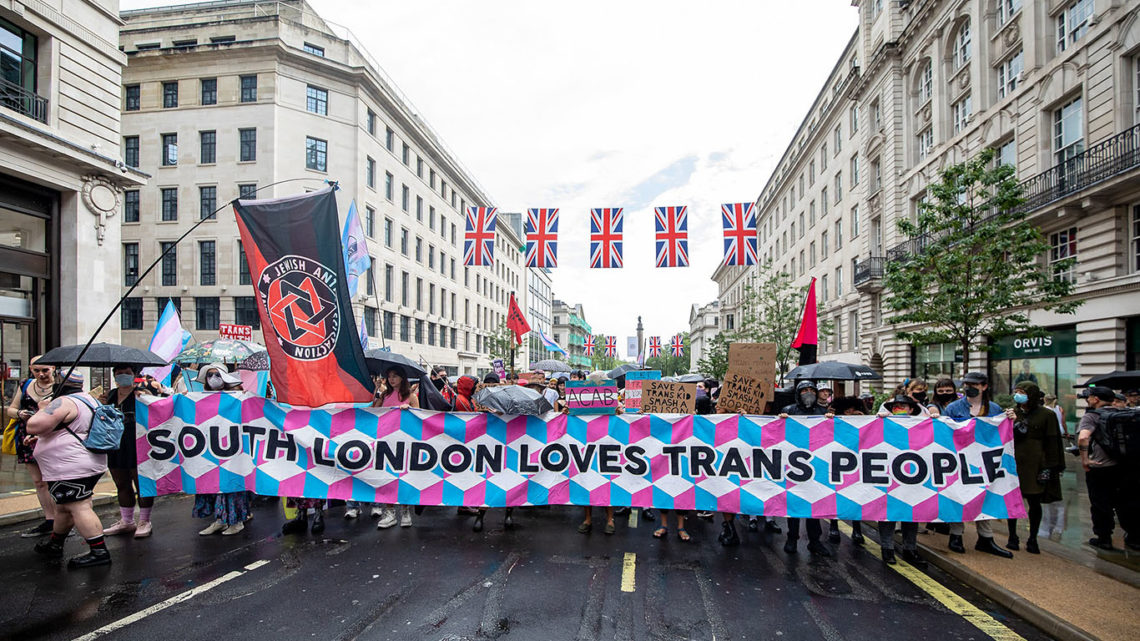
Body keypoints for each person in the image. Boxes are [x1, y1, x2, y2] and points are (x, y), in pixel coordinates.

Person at [27, 372, 112, 568]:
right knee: (64, 507)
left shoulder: (64, 402)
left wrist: (42, 408)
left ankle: (99, 551)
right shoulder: (88, 399)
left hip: (69, 465)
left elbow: (34, 425)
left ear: (61, 383)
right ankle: (55, 544)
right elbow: (71, 427)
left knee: (78, 506)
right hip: (84, 461)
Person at [941, 371, 1013, 558]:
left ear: (984, 387)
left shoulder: (994, 409)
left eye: (973, 385)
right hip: (959, 460)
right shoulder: (953, 408)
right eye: (966, 385)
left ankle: (985, 537)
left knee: (985, 495)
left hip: (985, 461)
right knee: (958, 495)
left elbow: (1001, 434)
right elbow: (944, 433)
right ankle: (956, 535)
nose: (969, 388)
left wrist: (1010, 419)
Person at [193, 364, 254, 536]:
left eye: (217, 375)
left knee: (232, 484)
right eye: (210, 375)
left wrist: (245, 398)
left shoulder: (235, 396)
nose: (213, 378)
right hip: (210, 448)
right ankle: (220, 519)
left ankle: (237, 521)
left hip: (233, 449)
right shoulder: (200, 398)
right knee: (215, 484)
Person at [1004, 382, 1064, 554]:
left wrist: (1051, 466)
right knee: (1013, 501)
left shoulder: (1047, 415)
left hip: (1036, 463)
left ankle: (1032, 538)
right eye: (1016, 391)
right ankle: (1012, 536)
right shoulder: (1012, 413)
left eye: (1022, 392)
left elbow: (1053, 441)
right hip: (1014, 462)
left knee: (1034, 502)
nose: (1018, 395)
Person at [1077, 386, 1138, 551]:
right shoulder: (1125, 413)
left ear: (1096, 399)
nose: (1087, 399)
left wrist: (1085, 459)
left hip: (1100, 467)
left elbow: (1083, 438)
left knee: (1101, 503)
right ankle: (1134, 538)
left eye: (1089, 397)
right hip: (1126, 467)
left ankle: (1104, 539)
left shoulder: (1092, 416)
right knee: (1127, 502)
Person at [100, 365, 157, 539]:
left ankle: (145, 521)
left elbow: (155, 411)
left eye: (127, 373)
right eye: (119, 373)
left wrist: (148, 398)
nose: (123, 376)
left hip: (137, 443)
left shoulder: (141, 393)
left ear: (134, 375)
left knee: (141, 483)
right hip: (115, 444)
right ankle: (127, 520)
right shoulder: (109, 395)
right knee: (121, 482)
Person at [778, 380, 833, 556]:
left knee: (814, 505)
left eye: (811, 390)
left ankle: (814, 541)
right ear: (798, 393)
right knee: (794, 504)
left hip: (815, 465)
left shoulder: (823, 412)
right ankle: (792, 538)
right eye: (804, 390)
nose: (808, 393)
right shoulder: (789, 410)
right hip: (793, 465)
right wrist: (780, 421)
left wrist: (831, 421)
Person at [871, 395, 928, 567]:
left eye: (903, 405)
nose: (899, 409)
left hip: (912, 475)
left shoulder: (921, 425)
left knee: (911, 513)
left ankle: (910, 548)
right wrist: (879, 420)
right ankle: (887, 548)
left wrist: (935, 420)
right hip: (888, 474)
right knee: (887, 512)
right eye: (895, 406)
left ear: (911, 409)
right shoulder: (883, 423)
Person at [6, 356, 57, 538]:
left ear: (53, 368)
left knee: (54, 480)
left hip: (51, 438)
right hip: (27, 437)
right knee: (39, 482)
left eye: (45, 370)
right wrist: (20, 413)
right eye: (36, 370)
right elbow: (11, 409)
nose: (41, 374)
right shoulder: (25, 385)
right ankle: (50, 520)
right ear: (30, 369)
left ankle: (62, 520)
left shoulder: (61, 387)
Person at [374, 366, 420, 530]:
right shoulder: (385, 395)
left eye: (395, 376)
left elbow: (419, 417)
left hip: (404, 443)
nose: (391, 379)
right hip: (386, 440)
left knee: (404, 477)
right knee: (387, 477)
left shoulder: (411, 396)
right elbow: (373, 412)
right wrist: (375, 390)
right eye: (389, 376)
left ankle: (405, 511)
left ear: (402, 377)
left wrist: (409, 411)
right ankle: (390, 512)